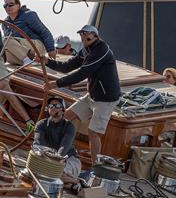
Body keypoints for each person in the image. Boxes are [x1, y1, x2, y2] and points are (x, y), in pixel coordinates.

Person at [42, 25, 121, 161]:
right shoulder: (86, 50)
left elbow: (82, 74)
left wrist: (55, 84)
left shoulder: (101, 49)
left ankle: (95, 167)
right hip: (92, 96)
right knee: (66, 116)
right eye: (81, 35)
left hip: (106, 100)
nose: (83, 36)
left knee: (93, 132)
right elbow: (67, 67)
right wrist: (47, 62)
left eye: (86, 34)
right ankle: (58, 149)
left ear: (95, 36)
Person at [34, 96, 82, 192]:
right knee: (32, 173)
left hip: (69, 160)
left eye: (57, 105)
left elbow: (64, 147)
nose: (53, 107)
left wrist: (53, 162)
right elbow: (39, 145)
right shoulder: (41, 124)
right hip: (48, 159)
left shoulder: (69, 127)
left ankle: (76, 181)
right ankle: (70, 185)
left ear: (63, 109)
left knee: (52, 173)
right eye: (51, 105)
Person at [2, 0, 56, 65]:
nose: (7, 7)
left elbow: (44, 32)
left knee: (6, 40)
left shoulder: (28, 15)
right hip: (21, 48)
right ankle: (32, 61)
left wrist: (51, 49)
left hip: (36, 46)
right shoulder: (5, 23)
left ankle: (28, 60)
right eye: (5, 5)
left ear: (18, 6)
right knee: (6, 53)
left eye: (11, 5)